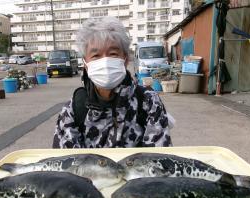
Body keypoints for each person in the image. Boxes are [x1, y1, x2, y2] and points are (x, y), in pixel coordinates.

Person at [53, 17, 172, 148]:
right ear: (85, 64)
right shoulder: (74, 108)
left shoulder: (148, 101)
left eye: (113, 53)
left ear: (125, 59)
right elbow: (66, 162)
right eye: (96, 56)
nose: (105, 61)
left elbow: (159, 160)